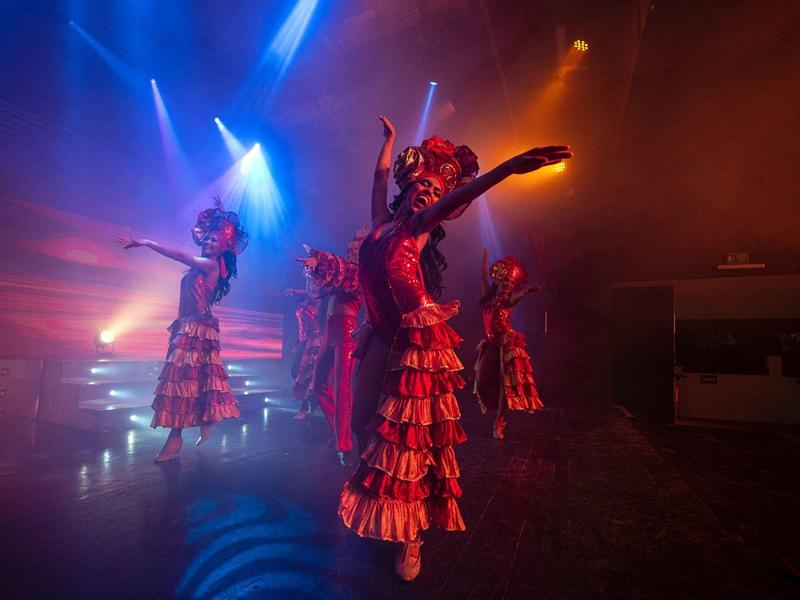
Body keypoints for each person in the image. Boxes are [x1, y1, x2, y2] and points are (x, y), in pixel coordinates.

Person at [339, 114, 572, 581]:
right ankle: (391, 512)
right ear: (408, 189)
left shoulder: (418, 227)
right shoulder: (382, 223)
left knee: (407, 442)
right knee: (361, 430)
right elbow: (380, 179)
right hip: (381, 336)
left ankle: (412, 537)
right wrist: (388, 141)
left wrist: (507, 169)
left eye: (436, 193)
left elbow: (463, 195)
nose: (429, 194)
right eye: (422, 186)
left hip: (415, 340)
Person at [116, 197, 248, 462]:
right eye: (207, 239)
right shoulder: (201, 263)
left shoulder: (209, 266)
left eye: (215, 241)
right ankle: (197, 427)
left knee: (182, 380)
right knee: (187, 380)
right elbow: (197, 233)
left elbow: (178, 254)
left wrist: (147, 243)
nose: (209, 242)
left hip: (197, 326)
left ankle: (177, 437)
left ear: (222, 249)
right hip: (187, 326)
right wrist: (218, 215)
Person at [296, 226, 367, 466]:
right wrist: (312, 268)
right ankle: (340, 432)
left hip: (346, 331)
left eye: (357, 248)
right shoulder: (344, 274)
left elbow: (341, 273)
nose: (352, 251)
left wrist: (319, 261)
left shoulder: (362, 276)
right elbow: (318, 294)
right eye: (351, 248)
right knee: (318, 386)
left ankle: (344, 445)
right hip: (329, 329)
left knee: (342, 389)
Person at [474, 249, 544, 440]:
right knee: (481, 380)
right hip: (490, 342)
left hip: (507, 341)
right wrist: (483, 262)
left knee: (506, 383)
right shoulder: (488, 297)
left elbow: (515, 297)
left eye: (511, 283)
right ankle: (498, 410)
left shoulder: (507, 299)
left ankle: (500, 421)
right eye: (506, 281)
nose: (508, 286)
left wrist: (527, 291)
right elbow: (482, 276)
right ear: (497, 280)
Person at [282, 276, 322, 417]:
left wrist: (293, 290)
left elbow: (308, 293)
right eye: (311, 282)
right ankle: (311, 401)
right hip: (303, 339)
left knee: (305, 373)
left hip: (313, 339)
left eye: (315, 282)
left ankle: (304, 407)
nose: (312, 285)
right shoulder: (306, 299)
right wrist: (297, 343)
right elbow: (300, 325)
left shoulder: (317, 298)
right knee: (295, 372)